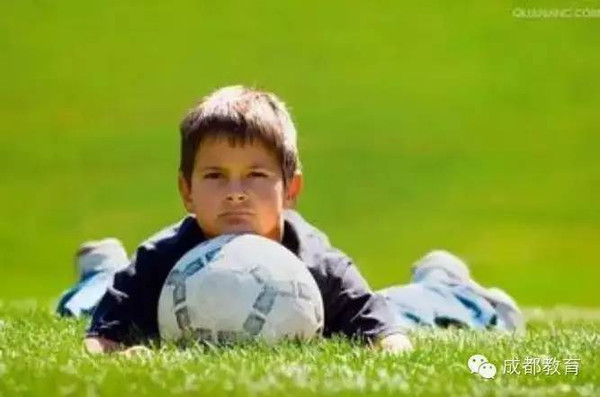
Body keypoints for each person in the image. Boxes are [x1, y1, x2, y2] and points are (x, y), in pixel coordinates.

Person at [59, 85, 524, 354]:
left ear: (291, 191)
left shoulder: (319, 265)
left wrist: (389, 350)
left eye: (256, 175)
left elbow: (387, 334)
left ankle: (448, 285)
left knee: (405, 308)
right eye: (215, 176)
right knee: (96, 298)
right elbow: (100, 336)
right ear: (186, 191)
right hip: (141, 273)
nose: (236, 191)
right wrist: (118, 357)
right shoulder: (159, 259)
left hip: (380, 297)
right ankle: (101, 269)